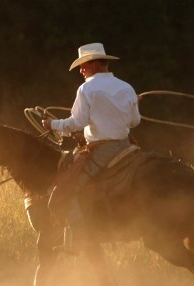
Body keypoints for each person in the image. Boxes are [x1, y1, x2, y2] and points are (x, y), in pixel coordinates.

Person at [42, 42, 141, 251]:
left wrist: (53, 125)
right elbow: (135, 122)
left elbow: (75, 123)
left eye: (84, 65)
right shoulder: (127, 88)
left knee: (68, 190)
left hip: (103, 150)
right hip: (126, 146)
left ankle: (79, 241)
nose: (81, 70)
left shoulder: (87, 88)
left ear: (96, 63)